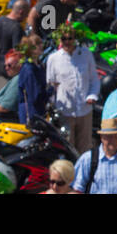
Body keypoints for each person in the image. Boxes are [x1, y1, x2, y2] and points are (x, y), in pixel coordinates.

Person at [46, 25, 101, 153]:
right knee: (67, 148)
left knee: (85, 147)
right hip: (65, 111)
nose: (66, 42)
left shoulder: (86, 54)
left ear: (75, 39)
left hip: (84, 110)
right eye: (63, 39)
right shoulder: (53, 59)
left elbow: (94, 79)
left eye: (69, 38)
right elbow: (50, 86)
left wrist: (92, 96)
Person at [0, 0, 26, 76]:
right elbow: (16, 50)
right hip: (11, 65)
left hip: (0, 63)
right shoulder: (16, 27)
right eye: (26, 14)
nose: (26, 17)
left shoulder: (0, 20)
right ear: (21, 12)